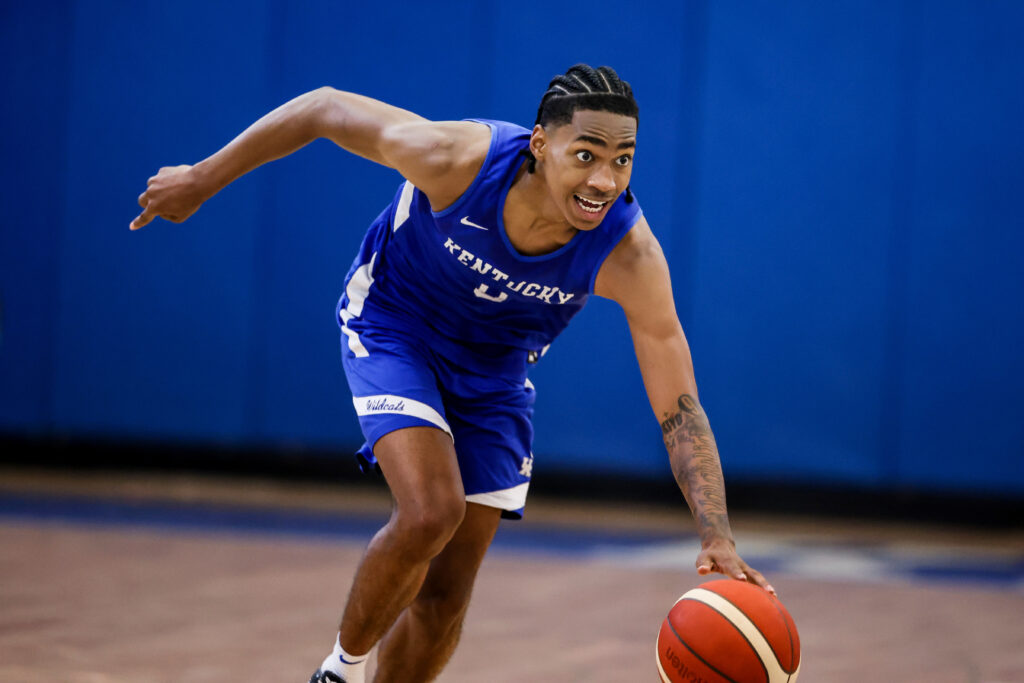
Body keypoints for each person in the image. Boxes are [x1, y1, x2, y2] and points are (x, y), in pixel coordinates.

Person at [131, 64, 774, 683]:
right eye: (587, 154)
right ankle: (340, 670)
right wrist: (199, 179)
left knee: (444, 601)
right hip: (395, 325)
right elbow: (324, 106)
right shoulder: (458, 161)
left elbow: (679, 408)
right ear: (541, 144)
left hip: (495, 372)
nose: (605, 179)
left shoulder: (628, 253)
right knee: (430, 512)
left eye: (623, 159)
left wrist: (716, 536)